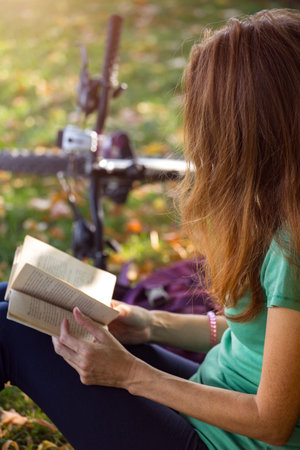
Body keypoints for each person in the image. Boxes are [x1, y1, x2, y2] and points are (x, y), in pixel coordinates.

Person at [0, 8, 300, 449]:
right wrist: (148, 323)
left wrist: (131, 374)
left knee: (8, 329)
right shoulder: (279, 206)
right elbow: (253, 337)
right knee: (12, 296)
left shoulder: (291, 248)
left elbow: (271, 421)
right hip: (212, 390)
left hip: (222, 439)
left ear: (248, 128)